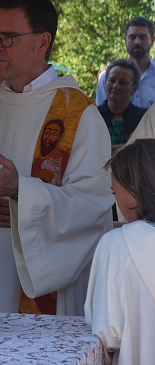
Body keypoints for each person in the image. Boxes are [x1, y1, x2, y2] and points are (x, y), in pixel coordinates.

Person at [0, 0, 113, 316]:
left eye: (8, 37)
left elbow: (95, 206)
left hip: (46, 292)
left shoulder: (77, 115)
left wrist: (20, 190)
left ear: (43, 41)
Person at [84, 139, 155, 364]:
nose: (115, 200)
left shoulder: (119, 244)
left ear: (133, 192)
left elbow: (107, 332)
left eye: (115, 192)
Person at [96, 16, 155, 109]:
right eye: (132, 37)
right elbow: (101, 115)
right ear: (125, 40)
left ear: (152, 40)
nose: (137, 42)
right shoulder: (108, 78)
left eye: (142, 37)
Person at [97, 59, 147, 151]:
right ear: (105, 83)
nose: (116, 86)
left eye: (123, 82)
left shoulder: (143, 118)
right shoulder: (93, 115)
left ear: (134, 88)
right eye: (112, 80)